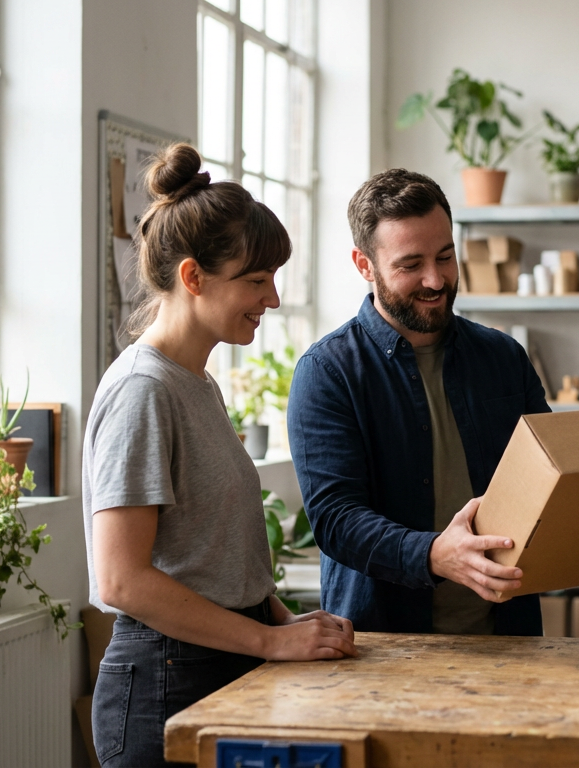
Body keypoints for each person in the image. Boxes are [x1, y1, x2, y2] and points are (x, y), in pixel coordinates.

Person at [83, 143, 356, 768]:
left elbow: (201, 558)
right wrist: (267, 638)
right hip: (165, 683)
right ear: (192, 277)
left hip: (216, 664)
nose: (274, 299)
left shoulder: (195, 383)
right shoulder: (142, 390)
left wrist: (286, 624)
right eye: (256, 280)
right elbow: (122, 579)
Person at [286, 169, 552, 635]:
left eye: (445, 257)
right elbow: (335, 519)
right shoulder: (327, 372)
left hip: (507, 638)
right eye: (410, 265)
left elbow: (551, 479)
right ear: (364, 265)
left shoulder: (504, 357)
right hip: (382, 647)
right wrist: (433, 555)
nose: (435, 279)